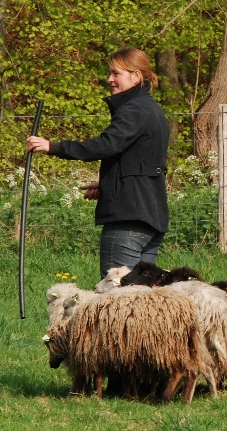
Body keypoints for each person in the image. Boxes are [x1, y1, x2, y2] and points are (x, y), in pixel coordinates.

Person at [26, 47, 169, 279]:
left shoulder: (134, 109)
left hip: (128, 220)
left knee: (116, 298)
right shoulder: (152, 110)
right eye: (109, 73)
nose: (109, 79)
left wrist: (53, 146)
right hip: (150, 218)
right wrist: (108, 184)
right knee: (142, 303)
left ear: (136, 76)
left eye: (116, 73)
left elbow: (106, 145)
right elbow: (139, 164)